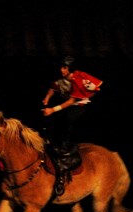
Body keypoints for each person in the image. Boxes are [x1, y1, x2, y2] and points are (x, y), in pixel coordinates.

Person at [41, 56, 103, 195]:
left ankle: (65, 143)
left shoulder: (77, 79)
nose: (61, 70)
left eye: (64, 68)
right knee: (53, 118)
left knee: (68, 118)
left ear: (70, 69)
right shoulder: (61, 79)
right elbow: (53, 88)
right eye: (61, 67)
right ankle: (48, 139)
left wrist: (52, 109)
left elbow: (71, 101)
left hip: (80, 103)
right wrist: (47, 98)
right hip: (69, 102)